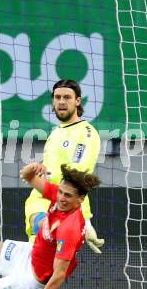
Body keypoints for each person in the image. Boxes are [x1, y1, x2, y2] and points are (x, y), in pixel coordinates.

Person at [25, 79, 104, 253]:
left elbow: (77, 177)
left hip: (61, 206)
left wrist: (86, 221)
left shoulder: (86, 133)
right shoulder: (56, 132)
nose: (61, 101)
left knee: (44, 264)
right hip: (39, 201)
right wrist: (41, 171)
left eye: (67, 97)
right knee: (33, 272)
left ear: (77, 101)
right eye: (57, 97)